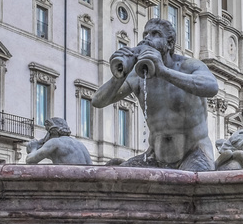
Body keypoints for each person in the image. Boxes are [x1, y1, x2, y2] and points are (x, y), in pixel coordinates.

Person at [93, 18, 219, 171]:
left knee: (190, 184)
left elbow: (212, 87)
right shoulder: (138, 75)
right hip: (155, 156)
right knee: (118, 178)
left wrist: (163, 71)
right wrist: (118, 77)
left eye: (155, 34)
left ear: (170, 43)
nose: (147, 38)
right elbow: (98, 101)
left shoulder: (187, 66)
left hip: (194, 153)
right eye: (145, 34)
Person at [23, 117, 93, 165]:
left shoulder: (55, 142)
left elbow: (30, 160)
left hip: (67, 183)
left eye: (47, 132)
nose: (46, 136)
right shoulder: (80, 144)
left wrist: (33, 148)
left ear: (53, 132)